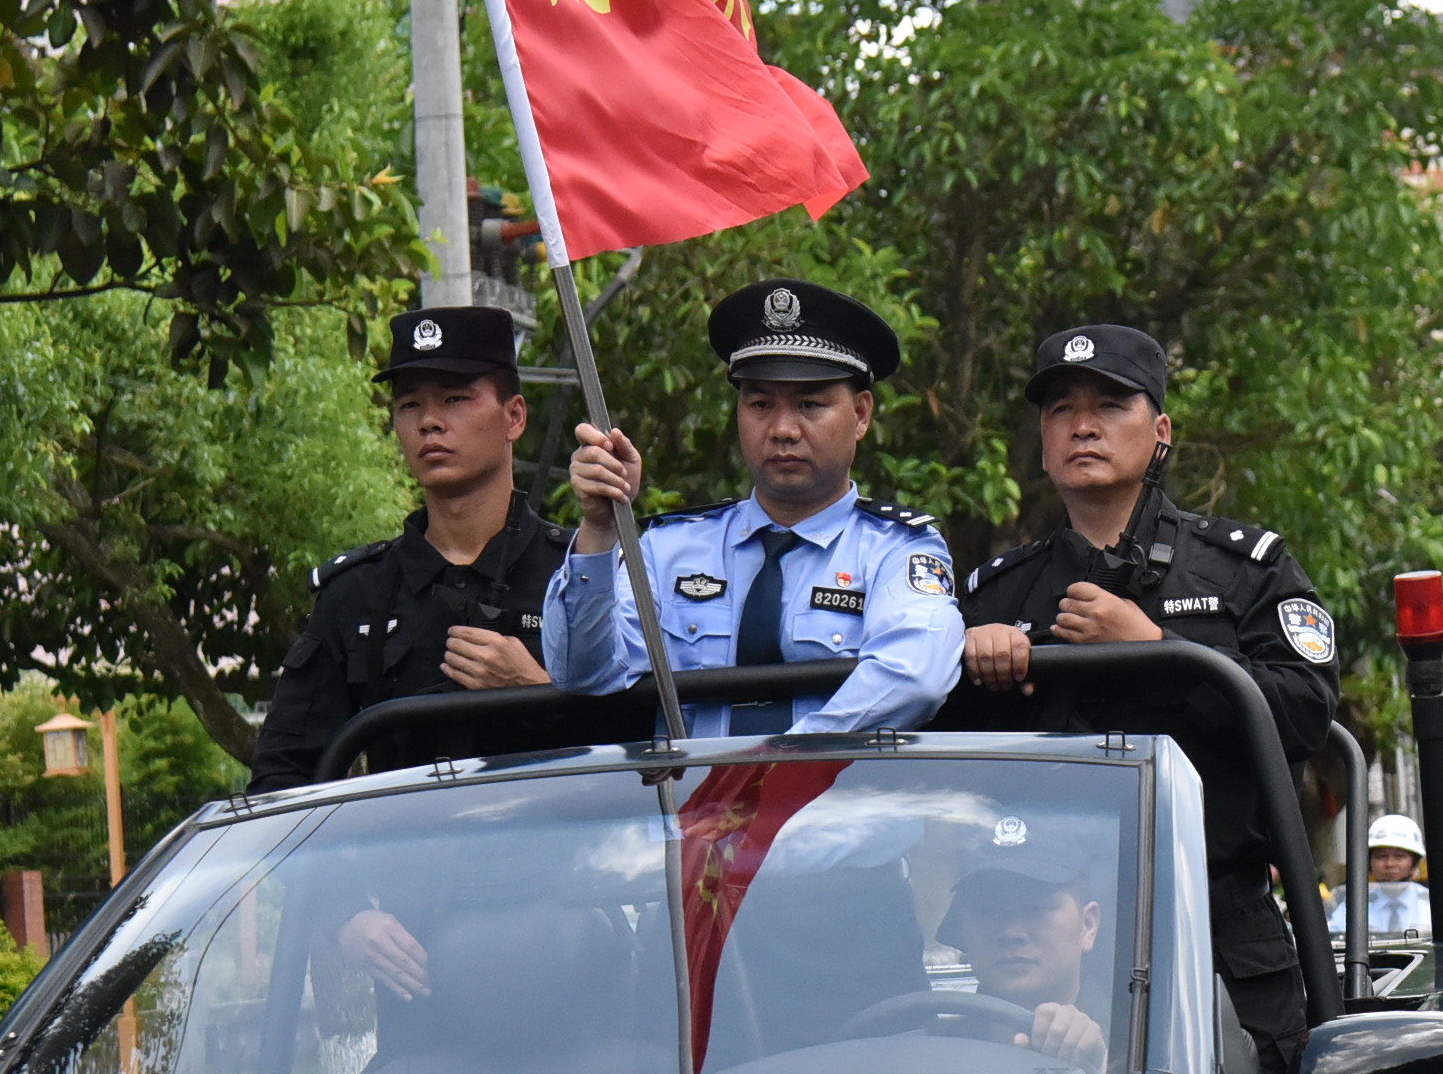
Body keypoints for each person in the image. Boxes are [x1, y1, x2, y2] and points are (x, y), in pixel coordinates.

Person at [945, 322, 1339, 1074]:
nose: (1082, 425)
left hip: (1216, 928)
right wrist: (967, 670)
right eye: (1060, 409)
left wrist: (1156, 647)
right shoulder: (999, 592)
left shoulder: (1245, 570)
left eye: (1110, 405)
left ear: (1159, 432)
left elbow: (1305, 715)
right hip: (1038, 943)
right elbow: (945, 767)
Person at [549, 278, 960, 740]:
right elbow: (581, 674)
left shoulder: (895, 550)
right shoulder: (671, 549)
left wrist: (772, 771)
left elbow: (913, 676)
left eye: (810, 404)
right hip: (690, 806)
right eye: (760, 403)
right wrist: (600, 529)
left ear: (861, 415)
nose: (783, 429)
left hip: (832, 804)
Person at [254, 306, 559, 793]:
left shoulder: (579, 573)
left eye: (456, 398)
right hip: (407, 862)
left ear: (514, 417)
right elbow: (281, 777)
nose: (430, 423)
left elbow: (647, 751)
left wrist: (537, 693)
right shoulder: (356, 593)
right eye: (410, 405)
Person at [941, 831, 1113, 1073]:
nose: (1010, 932)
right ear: (964, 930)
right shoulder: (930, 1052)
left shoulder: (1150, 1049)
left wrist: (1108, 1072)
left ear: (1088, 925)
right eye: (985, 911)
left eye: (1037, 908)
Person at [1329, 813, 1433, 939]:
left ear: (1415, 863)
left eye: (1399, 856)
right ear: (1369, 862)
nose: (1389, 864)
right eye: (1381, 856)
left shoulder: (1431, 903)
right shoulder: (1353, 906)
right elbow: (1334, 941)